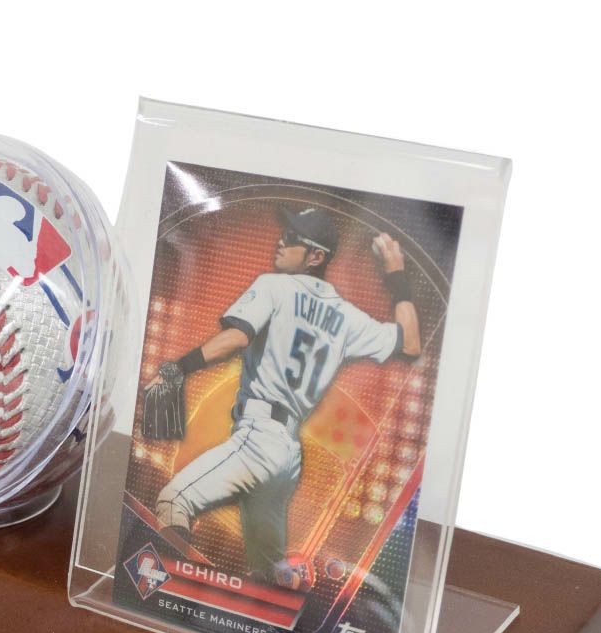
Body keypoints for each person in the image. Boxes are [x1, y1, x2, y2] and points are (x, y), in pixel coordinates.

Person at [152, 206, 421, 587]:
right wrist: (396, 276)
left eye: (293, 238)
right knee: (267, 570)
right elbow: (410, 344)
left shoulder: (274, 286)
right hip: (287, 457)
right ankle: (282, 597)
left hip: (257, 437)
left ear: (316, 257)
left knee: (173, 501)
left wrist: (180, 367)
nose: (281, 241)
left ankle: (166, 590)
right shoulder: (347, 318)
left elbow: (237, 337)